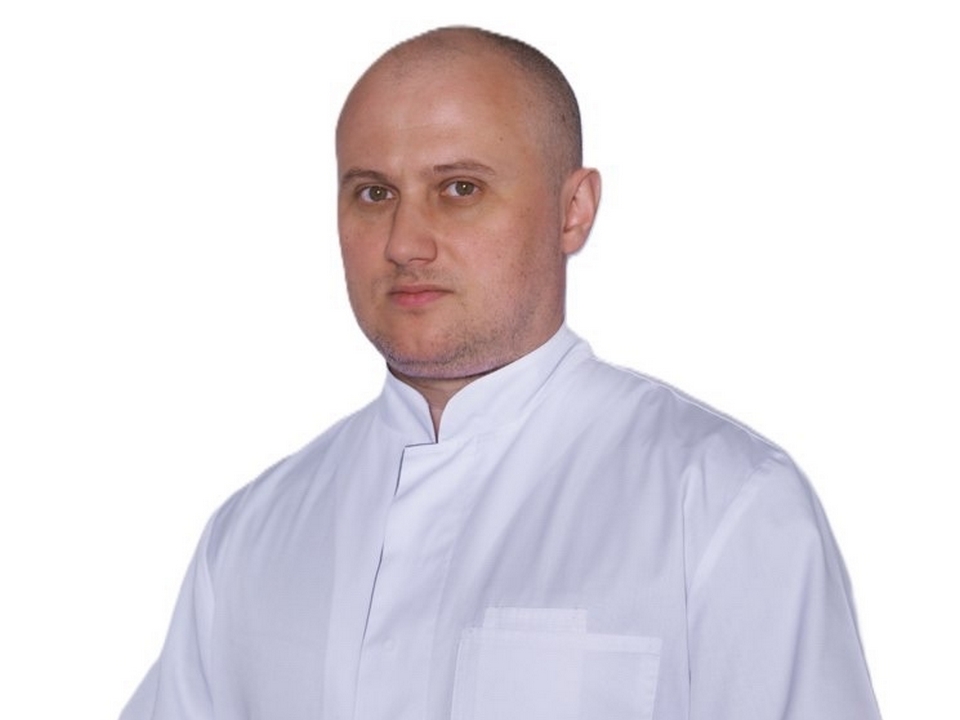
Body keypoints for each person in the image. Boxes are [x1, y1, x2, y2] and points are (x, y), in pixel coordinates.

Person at [121, 26, 881, 720]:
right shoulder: (251, 538)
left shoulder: (721, 502)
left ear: (573, 210)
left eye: (460, 188)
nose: (405, 242)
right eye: (374, 193)